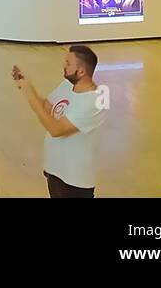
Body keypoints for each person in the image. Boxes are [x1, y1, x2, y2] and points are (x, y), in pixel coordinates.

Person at [12, 45, 108, 198]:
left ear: (81, 71)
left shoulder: (96, 101)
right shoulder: (68, 85)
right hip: (55, 171)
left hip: (75, 180)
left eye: (68, 63)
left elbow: (56, 129)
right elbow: (47, 107)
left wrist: (30, 95)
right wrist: (26, 85)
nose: (64, 65)